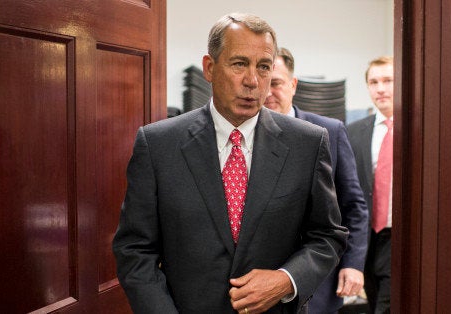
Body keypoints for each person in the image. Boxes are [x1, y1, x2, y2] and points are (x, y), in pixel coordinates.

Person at [112, 12, 348, 314]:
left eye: (263, 67)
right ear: (209, 68)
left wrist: (286, 280)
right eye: (239, 64)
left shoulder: (307, 143)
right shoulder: (158, 145)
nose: (252, 81)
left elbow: (327, 236)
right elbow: (134, 250)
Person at [264, 47, 369, 313]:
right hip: (261, 280)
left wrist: (353, 263)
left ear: (293, 84)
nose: (267, 94)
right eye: (263, 84)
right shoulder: (245, 136)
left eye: (275, 83)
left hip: (319, 280)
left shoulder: (329, 131)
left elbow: (353, 206)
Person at [347, 56, 394, 314]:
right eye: (373, 82)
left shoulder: (419, 128)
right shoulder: (354, 132)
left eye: (388, 81)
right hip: (366, 237)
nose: (380, 88)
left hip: (399, 235)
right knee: (374, 301)